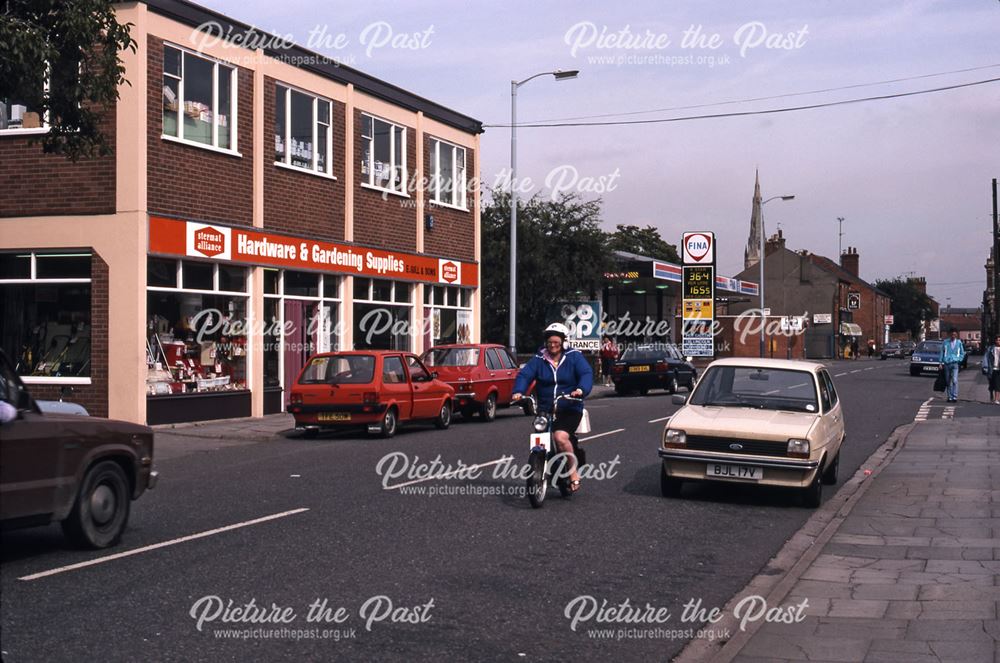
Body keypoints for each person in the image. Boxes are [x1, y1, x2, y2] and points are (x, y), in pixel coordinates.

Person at [512, 322, 593, 492]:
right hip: (546, 408)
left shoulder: (574, 357)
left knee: (560, 437)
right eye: (549, 342)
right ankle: (541, 463)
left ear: (564, 342)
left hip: (569, 407)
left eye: (556, 342)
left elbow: (586, 374)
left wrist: (580, 390)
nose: (552, 345)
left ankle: (573, 473)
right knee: (540, 435)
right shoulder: (539, 359)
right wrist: (518, 392)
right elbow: (525, 375)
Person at [938, 327, 966, 403]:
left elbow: (962, 353)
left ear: (956, 335)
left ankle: (954, 396)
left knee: (954, 380)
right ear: (950, 334)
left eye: (954, 334)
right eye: (952, 334)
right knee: (948, 381)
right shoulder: (945, 342)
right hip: (947, 364)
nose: (953, 336)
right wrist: (940, 363)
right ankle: (949, 397)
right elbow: (942, 352)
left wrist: (959, 359)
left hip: (955, 364)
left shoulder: (959, 342)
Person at [986, 336, 1000, 404]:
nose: (998, 341)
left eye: (999, 340)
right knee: (991, 384)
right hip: (992, 369)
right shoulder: (991, 348)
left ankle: (997, 399)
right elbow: (986, 358)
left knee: (998, 384)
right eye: (997, 340)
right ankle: (991, 394)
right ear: (995, 341)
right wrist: (985, 367)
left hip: (998, 369)